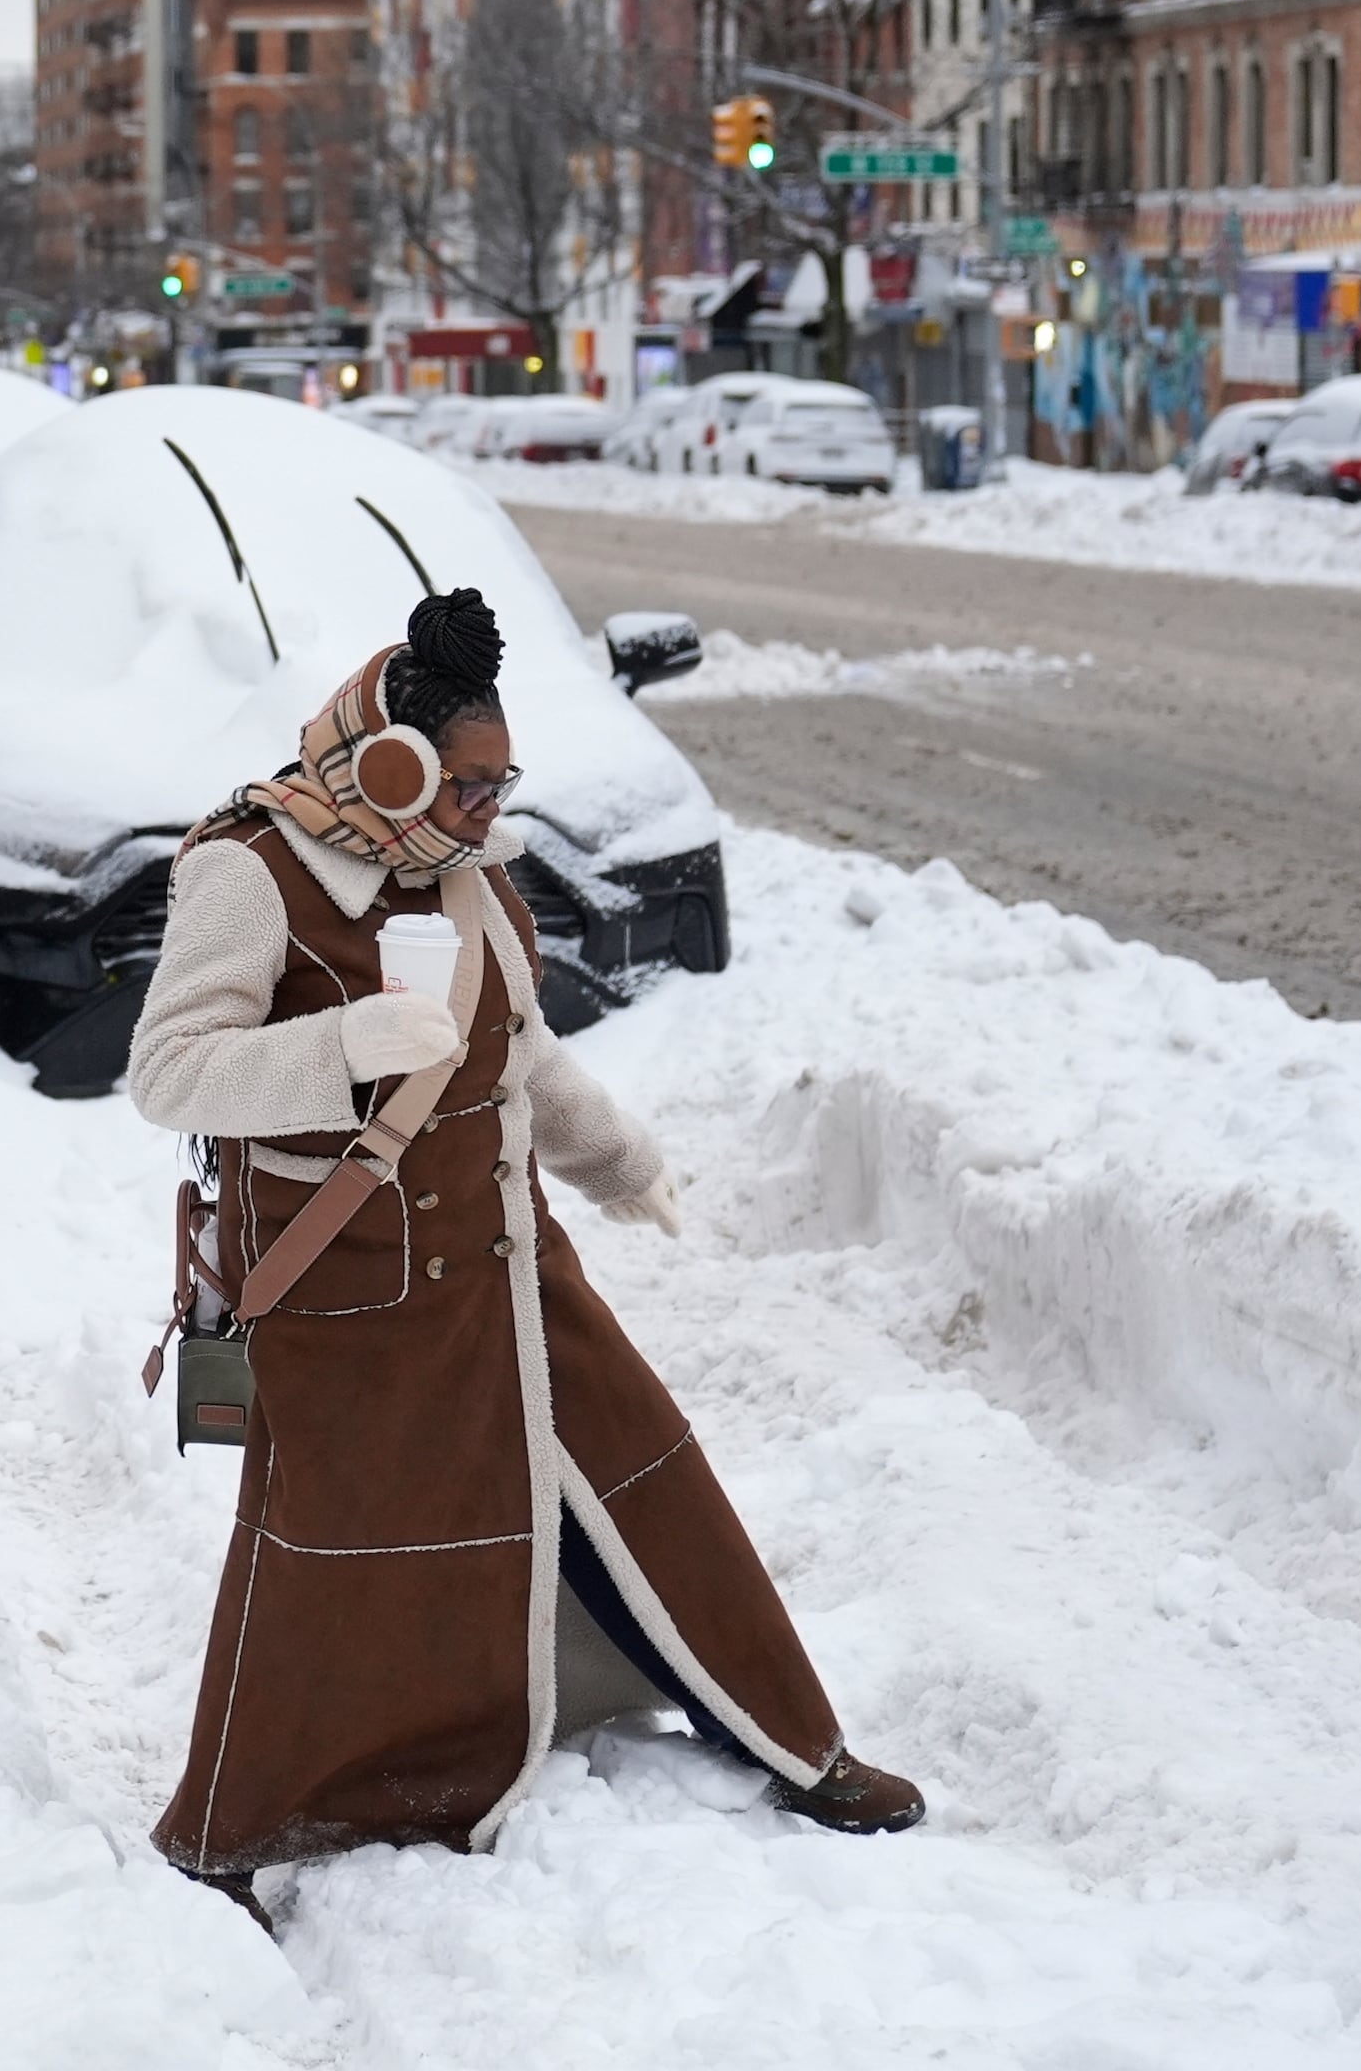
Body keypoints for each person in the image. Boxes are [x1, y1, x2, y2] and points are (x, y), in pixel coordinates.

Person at [126, 588, 923, 1928]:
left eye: (506, 782)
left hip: (506, 1260)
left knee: (639, 1478)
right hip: (346, 1290)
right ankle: (232, 1833)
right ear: (391, 765)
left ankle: (782, 1739)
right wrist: (338, 1052)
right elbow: (168, 1073)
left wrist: (617, 1163)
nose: (494, 809)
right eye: (470, 781)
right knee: (334, 1557)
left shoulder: (470, 879)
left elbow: (520, 1056)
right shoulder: (250, 874)